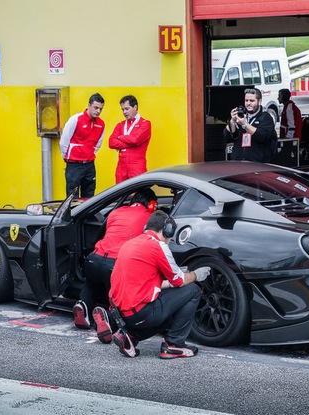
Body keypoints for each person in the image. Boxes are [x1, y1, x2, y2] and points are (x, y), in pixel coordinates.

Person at [108, 210, 211, 359]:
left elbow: (146, 283)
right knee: (193, 290)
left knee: (168, 308)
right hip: (141, 312)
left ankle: (130, 336)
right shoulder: (158, 246)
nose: (170, 240)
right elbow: (179, 280)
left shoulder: (130, 243)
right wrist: (196, 275)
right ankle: (173, 345)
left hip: (121, 313)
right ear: (167, 231)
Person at [73, 188, 158, 343]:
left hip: (94, 258)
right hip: (114, 264)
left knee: (92, 281)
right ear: (151, 204)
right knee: (117, 294)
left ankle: (83, 305)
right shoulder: (150, 217)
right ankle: (110, 319)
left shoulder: (116, 211)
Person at [59, 93, 105, 198]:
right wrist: (68, 157)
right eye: (95, 108)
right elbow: (64, 141)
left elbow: (98, 144)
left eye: (100, 109)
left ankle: (87, 215)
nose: (98, 111)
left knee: (89, 197)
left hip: (89, 165)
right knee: (72, 197)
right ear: (89, 105)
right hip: (74, 165)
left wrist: (88, 154)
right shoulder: (75, 119)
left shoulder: (101, 124)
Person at [223, 87, 277, 163]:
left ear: (259, 101)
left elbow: (262, 136)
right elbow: (227, 137)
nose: (248, 103)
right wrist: (232, 121)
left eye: (252, 101)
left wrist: (245, 124)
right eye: (246, 100)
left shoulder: (266, 117)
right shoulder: (241, 115)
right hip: (238, 163)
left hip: (258, 164)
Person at [108, 95, 152, 183]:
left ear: (135, 107)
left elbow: (135, 140)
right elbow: (111, 142)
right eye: (122, 109)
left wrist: (120, 137)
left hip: (137, 166)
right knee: (120, 194)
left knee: (139, 193)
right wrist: (131, 143)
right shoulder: (120, 124)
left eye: (127, 109)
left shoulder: (145, 124)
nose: (124, 112)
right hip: (121, 166)